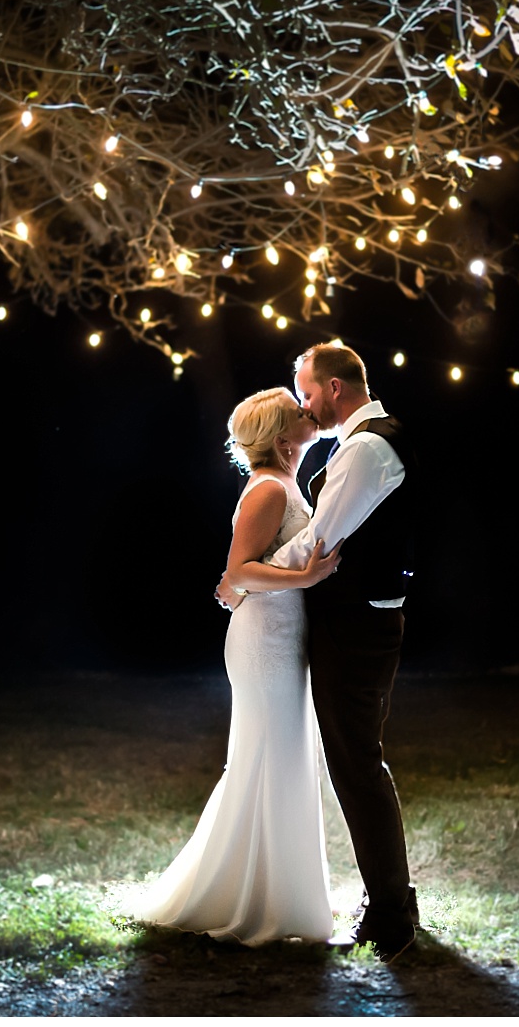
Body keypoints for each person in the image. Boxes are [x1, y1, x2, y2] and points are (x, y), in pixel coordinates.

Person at [217, 342, 419, 962]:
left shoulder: (364, 448)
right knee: (331, 760)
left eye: (307, 393)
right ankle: (363, 898)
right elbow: (308, 554)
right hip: (307, 631)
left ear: (333, 388)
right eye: (296, 403)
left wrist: (239, 580)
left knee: (353, 763)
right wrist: (242, 578)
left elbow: (316, 548)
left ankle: (390, 907)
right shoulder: (349, 450)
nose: (306, 406)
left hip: (352, 630)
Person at [135, 388, 343, 944]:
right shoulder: (270, 490)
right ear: (281, 438)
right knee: (265, 759)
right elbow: (240, 572)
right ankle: (248, 897)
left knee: (281, 759)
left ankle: (279, 894)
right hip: (263, 642)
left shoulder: (284, 484)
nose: (310, 414)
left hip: (282, 636)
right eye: (299, 413)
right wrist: (306, 578)